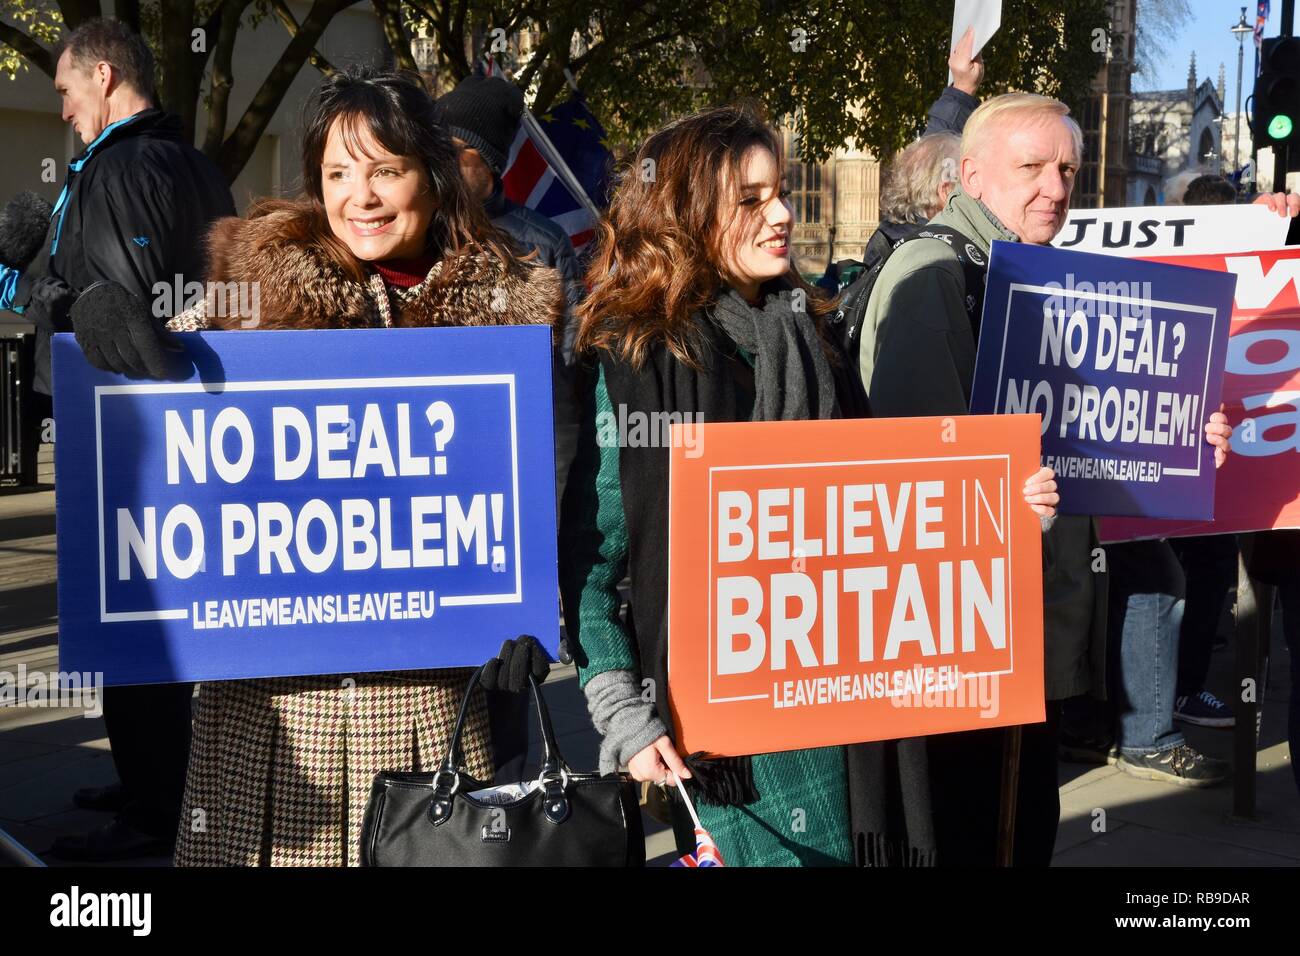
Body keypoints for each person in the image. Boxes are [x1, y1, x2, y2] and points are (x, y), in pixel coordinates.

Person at [559, 103, 1059, 866]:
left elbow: (892, 513)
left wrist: (1000, 514)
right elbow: (594, 571)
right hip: (730, 744)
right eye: (751, 200)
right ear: (687, 213)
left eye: (782, 190)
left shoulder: (814, 337)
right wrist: (623, 713)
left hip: (850, 715)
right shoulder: (637, 365)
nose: (784, 214)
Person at [138, 67, 563, 865]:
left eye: (385, 170)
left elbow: (546, 480)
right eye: (337, 173)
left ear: (433, 180)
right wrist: (113, 329)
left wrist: (533, 613)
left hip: (427, 711)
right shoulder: (253, 287)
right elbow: (166, 359)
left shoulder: (506, 314)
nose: (359, 196)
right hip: (271, 717)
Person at [855, 93, 1233, 862]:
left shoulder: (1027, 271)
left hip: (1026, 629)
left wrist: (1183, 434)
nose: (1055, 187)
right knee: (988, 836)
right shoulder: (936, 276)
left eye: (1066, 168)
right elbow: (928, 476)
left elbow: (1089, 433)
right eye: (1030, 167)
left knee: (1022, 832)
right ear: (970, 176)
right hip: (969, 643)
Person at [13, 18, 236, 863]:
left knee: (131, 618)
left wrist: (56, 301)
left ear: (104, 77)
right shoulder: (189, 161)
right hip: (172, 430)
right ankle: (153, 777)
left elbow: (119, 312)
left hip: (123, 431)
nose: (65, 112)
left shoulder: (119, 165)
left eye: (67, 92)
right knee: (155, 620)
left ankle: (155, 806)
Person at [432, 74, 586, 782]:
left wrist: (546, 532)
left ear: (485, 166)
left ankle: (509, 809)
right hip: (428, 501)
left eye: (451, 150)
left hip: (509, 503)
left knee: (503, 689)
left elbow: (565, 395)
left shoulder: (539, 247)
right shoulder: (412, 231)